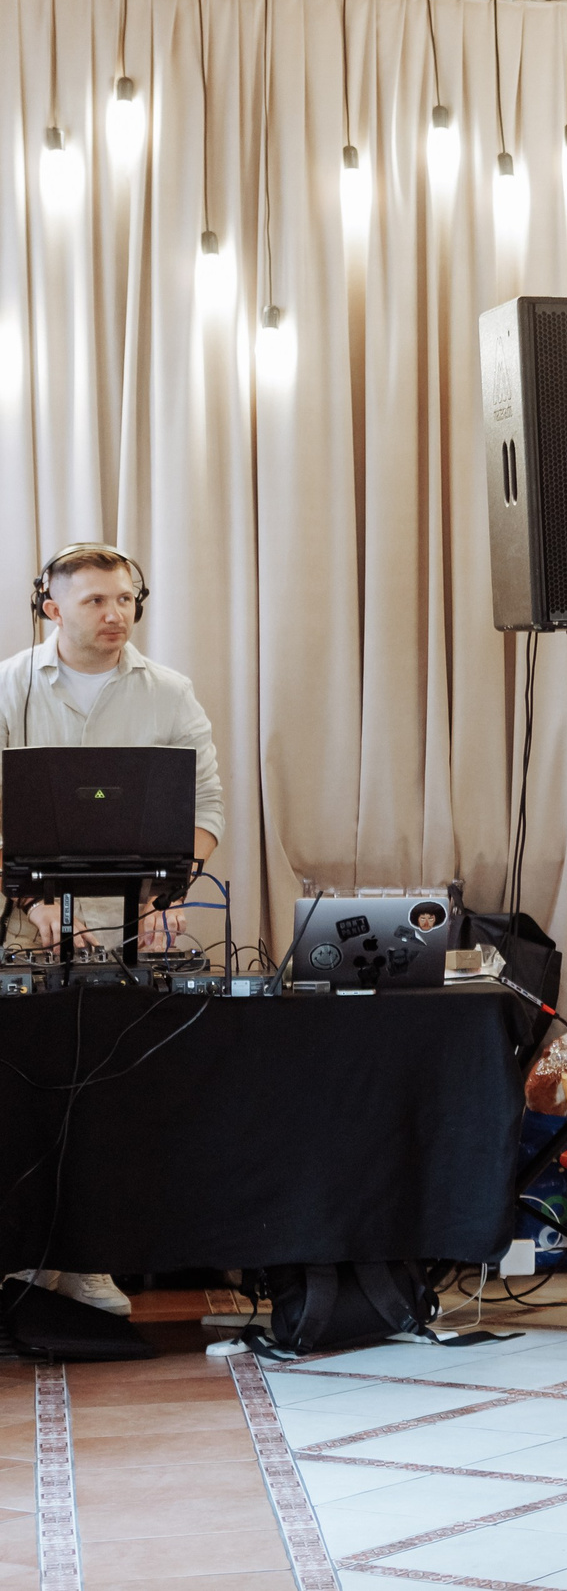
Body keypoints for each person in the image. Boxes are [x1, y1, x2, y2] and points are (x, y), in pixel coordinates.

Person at [0, 544, 226, 1319]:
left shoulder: (168, 692)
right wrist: (30, 901)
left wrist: (167, 893)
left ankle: (90, 1262)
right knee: (26, 1089)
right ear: (51, 607)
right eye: (95, 600)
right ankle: (28, 1255)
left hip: (135, 927)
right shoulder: (8, 686)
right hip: (24, 923)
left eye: (126, 598)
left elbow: (207, 810)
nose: (114, 614)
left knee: (111, 1095)